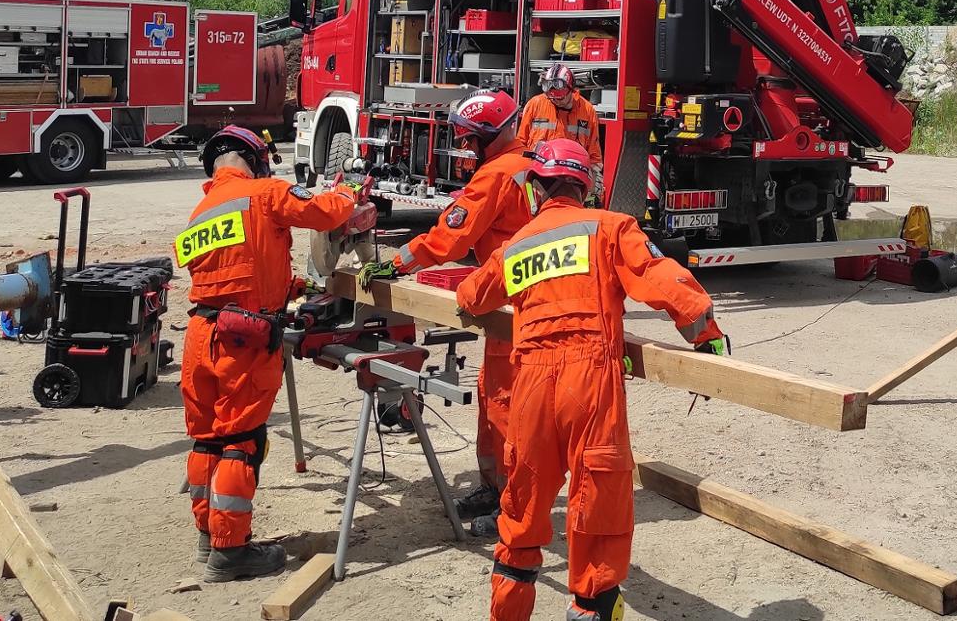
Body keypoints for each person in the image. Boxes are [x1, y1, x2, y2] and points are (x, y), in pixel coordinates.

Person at [457, 138, 729, 621]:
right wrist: (704, 331)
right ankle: (589, 607)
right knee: (596, 508)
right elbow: (658, 275)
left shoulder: (517, 244)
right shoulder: (609, 228)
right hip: (590, 381)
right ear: (585, 186)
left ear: (536, 188)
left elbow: (472, 296)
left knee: (520, 517)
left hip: (532, 386)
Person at [176, 125, 367, 581]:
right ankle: (231, 551)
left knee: (208, 439)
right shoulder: (264, 192)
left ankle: (209, 535)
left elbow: (235, 272)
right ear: (256, 158)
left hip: (201, 334)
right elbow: (323, 212)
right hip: (243, 340)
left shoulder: (202, 210)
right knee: (242, 440)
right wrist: (350, 192)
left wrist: (290, 286)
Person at [360, 89, 534, 531]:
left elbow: (448, 237)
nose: (467, 149)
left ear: (490, 137)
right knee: (498, 397)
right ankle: (495, 488)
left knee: (506, 405)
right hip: (519, 298)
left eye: (471, 140)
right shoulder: (530, 164)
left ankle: (512, 505)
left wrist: (396, 262)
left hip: (515, 301)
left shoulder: (496, 176)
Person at [520, 63, 604, 170]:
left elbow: (594, 154)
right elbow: (521, 142)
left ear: (571, 90)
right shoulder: (535, 104)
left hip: (571, 173)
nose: (556, 101)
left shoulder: (587, 110)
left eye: (560, 99)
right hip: (538, 169)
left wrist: (594, 178)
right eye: (552, 99)